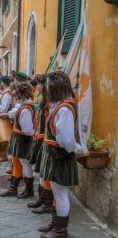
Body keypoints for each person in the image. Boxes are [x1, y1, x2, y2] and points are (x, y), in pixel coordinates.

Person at [38, 71, 87, 238]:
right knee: (57, 193)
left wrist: (77, 149)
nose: (46, 90)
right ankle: (55, 224)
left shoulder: (65, 108)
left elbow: (65, 139)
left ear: (55, 88)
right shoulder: (61, 105)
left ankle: (60, 230)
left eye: (48, 87)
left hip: (59, 156)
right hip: (56, 156)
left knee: (61, 194)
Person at [0, 83, 35, 199]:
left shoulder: (26, 109)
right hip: (20, 139)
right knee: (18, 163)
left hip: (23, 140)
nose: (15, 98)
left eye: (17, 95)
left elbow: (27, 130)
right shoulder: (24, 106)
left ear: (21, 95)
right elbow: (14, 112)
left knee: (25, 164)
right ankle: (14, 189)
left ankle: (28, 190)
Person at [27, 75, 54, 215]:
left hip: (45, 140)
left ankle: (48, 203)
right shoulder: (42, 99)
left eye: (39, 84)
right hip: (39, 136)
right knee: (39, 171)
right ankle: (42, 199)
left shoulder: (50, 102)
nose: (37, 87)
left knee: (45, 173)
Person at [0, 76, 13, 162]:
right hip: (0, 116)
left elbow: (4, 109)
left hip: (4, 116)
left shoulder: (7, 94)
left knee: (2, 137)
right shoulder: (5, 92)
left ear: (3, 83)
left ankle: (3, 155)